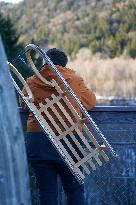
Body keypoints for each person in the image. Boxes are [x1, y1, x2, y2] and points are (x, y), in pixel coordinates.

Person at [20, 48, 96, 205]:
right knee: (74, 191)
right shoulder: (74, 80)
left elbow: (24, 104)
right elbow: (90, 101)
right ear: (65, 65)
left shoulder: (32, 81)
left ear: (43, 63)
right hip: (70, 142)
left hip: (39, 141)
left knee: (47, 193)